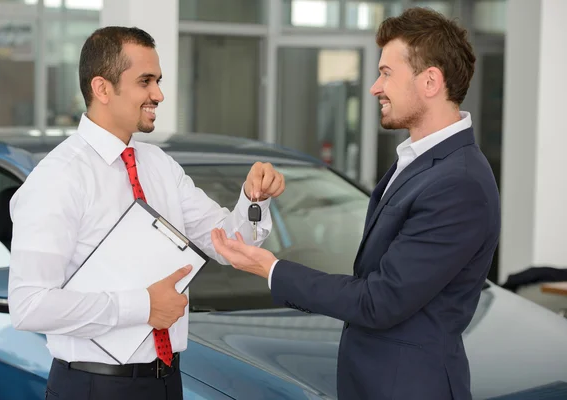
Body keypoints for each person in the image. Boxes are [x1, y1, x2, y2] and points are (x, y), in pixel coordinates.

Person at [210, 7, 500, 400]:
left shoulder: (458, 182)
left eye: (386, 73)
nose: (374, 87)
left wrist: (271, 268)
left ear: (430, 81)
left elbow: (380, 301)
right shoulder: (420, 161)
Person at [7, 26, 285, 400]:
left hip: (167, 382)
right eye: (145, 81)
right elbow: (30, 305)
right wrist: (142, 306)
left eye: (158, 80)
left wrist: (254, 200)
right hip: (94, 387)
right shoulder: (58, 178)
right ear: (102, 88)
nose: (159, 94)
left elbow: (228, 243)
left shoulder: (159, 165)